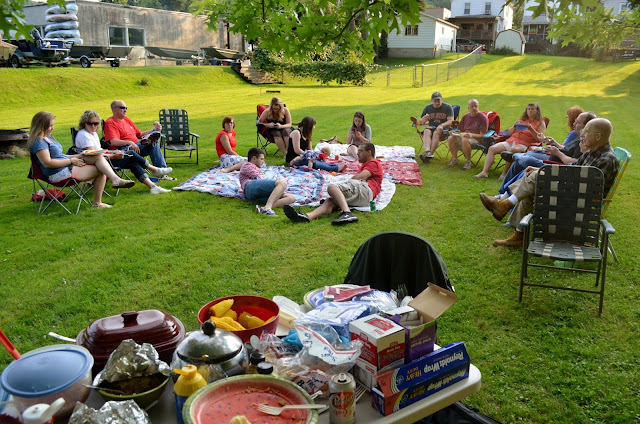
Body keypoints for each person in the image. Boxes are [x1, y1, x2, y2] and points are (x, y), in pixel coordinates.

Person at [479, 118, 619, 248]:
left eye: (586, 132)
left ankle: (505, 203)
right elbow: (571, 169)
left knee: (539, 178)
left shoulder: (607, 159)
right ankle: (518, 233)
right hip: (574, 193)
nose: (582, 135)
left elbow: (588, 189)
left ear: (598, 136)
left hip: (581, 204)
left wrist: (547, 174)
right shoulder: (592, 153)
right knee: (536, 178)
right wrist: (542, 169)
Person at [28, 111, 135, 209]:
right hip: (57, 173)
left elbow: (60, 156)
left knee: (97, 158)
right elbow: (48, 163)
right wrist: (71, 161)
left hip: (65, 166)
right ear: (41, 125)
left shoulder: (47, 137)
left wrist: (79, 156)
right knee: (101, 169)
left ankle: (114, 182)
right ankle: (101, 199)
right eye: (50, 126)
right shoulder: (39, 141)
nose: (53, 128)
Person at [495, 111, 596, 198]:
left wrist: (558, 153)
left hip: (554, 167)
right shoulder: (579, 138)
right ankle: (502, 194)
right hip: (552, 162)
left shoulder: (585, 142)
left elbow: (574, 162)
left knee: (525, 161)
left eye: (577, 122)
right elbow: (568, 150)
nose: (574, 123)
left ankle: (514, 156)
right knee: (520, 162)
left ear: (587, 125)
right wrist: (555, 144)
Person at [283, 143, 383, 226]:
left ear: (369, 152)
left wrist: (346, 182)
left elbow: (360, 177)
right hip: (364, 196)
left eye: (360, 151)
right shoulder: (368, 165)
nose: (358, 153)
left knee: (332, 187)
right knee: (330, 201)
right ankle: (307, 216)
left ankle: (347, 213)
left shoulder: (374, 163)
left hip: (366, 190)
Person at [75, 110, 172, 195]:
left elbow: (140, 134)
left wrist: (113, 153)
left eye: (96, 123)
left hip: (105, 158)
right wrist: (113, 155)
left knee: (134, 159)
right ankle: (155, 170)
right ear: (84, 123)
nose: (93, 126)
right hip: (99, 163)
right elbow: (93, 155)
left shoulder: (93, 133)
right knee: (131, 154)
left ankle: (153, 186)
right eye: (90, 123)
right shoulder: (84, 135)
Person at [474, 103, 546, 179]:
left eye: (532, 109)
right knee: (492, 148)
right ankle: (484, 172)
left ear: (537, 111)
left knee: (513, 150)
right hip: (511, 141)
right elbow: (509, 133)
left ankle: (505, 174)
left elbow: (539, 138)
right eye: (528, 109)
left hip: (525, 144)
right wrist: (514, 126)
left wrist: (530, 128)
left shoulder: (541, 123)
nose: (530, 111)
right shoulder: (522, 120)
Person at [103, 100, 172, 174]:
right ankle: (160, 170)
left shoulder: (126, 119)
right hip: (125, 150)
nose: (125, 110)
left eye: (126, 108)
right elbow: (113, 142)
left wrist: (154, 129)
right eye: (122, 108)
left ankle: (160, 171)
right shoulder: (110, 123)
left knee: (155, 135)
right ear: (114, 109)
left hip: (137, 146)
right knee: (152, 142)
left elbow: (140, 134)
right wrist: (130, 142)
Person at [239, 147, 296, 217]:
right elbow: (258, 178)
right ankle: (268, 208)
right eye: (261, 159)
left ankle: (264, 208)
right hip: (249, 187)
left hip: (254, 194)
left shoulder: (254, 168)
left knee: (291, 198)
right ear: (254, 158)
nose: (263, 162)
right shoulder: (247, 165)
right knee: (282, 183)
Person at [447, 99, 489, 170]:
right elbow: (461, 131)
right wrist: (454, 133)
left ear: (478, 106)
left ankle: (468, 161)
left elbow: (482, 135)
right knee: (451, 138)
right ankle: (455, 159)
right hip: (465, 136)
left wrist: (471, 135)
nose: (474, 108)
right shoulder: (466, 116)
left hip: (477, 139)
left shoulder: (483, 118)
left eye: (475, 106)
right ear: (468, 108)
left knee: (465, 139)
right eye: (472, 106)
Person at [417, 91, 454, 163]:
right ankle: (428, 152)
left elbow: (450, 121)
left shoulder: (447, 107)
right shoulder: (428, 108)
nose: (437, 103)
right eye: (435, 101)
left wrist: (441, 125)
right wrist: (424, 119)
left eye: (438, 100)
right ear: (432, 101)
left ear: (442, 99)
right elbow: (421, 122)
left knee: (437, 132)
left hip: (444, 130)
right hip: (432, 128)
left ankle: (430, 154)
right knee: (426, 130)